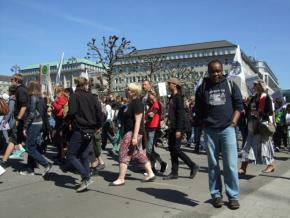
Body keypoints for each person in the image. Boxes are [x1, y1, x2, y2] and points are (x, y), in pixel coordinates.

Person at [195, 59, 243, 209]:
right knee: (213, 165)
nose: (216, 74)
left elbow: (239, 105)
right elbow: (198, 109)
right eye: (213, 71)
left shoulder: (230, 85)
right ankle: (216, 195)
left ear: (222, 70)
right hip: (210, 131)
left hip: (227, 129)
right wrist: (204, 125)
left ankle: (233, 196)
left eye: (218, 71)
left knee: (230, 164)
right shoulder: (202, 87)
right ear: (208, 72)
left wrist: (233, 123)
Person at [110, 83, 155, 186]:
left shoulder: (137, 103)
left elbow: (138, 121)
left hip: (133, 132)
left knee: (123, 152)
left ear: (134, 91)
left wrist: (134, 137)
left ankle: (121, 178)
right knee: (138, 153)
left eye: (129, 90)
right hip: (131, 132)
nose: (127, 91)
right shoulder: (131, 103)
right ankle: (151, 173)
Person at [65, 76, 103, 192]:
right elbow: (100, 113)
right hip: (90, 129)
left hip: (80, 129)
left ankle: (86, 177)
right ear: (85, 85)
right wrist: (98, 126)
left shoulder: (75, 96)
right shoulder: (92, 97)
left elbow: (72, 112)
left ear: (76, 84)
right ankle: (85, 179)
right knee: (84, 155)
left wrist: (67, 121)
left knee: (70, 155)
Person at [163, 78, 199, 180]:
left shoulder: (178, 97)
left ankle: (192, 165)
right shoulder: (172, 97)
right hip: (172, 126)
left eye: (169, 83)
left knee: (176, 149)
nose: (167, 85)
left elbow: (180, 114)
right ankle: (174, 172)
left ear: (174, 85)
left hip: (178, 127)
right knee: (172, 149)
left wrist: (179, 129)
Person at [239, 80, 275, 175]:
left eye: (255, 85)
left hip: (261, 126)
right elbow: (248, 110)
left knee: (265, 146)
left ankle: (270, 165)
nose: (253, 87)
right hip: (252, 125)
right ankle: (243, 167)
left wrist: (260, 114)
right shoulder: (253, 97)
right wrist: (245, 104)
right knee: (247, 146)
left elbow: (270, 112)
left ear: (260, 86)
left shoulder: (266, 97)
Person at [20, 81, 52, 176]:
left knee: (29, 147)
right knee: (32, 146)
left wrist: (25, 126)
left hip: (33, 124)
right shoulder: (40, 98)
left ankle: (46, 164)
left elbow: (31, 113)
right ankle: (30, 168)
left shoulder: (33, 97)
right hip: (38, 123)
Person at [0, 74, 28, 168]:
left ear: (16, 80)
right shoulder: (22, 89)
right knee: (13, 139)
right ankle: (4, 160)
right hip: (20, 119)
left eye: (12, 80)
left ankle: (43, 162)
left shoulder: (20, 90)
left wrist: (17, 119)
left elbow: (23, 106)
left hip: (19, 119)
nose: (11, 82)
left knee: (17, 139)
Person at [145, 89, 167, 174]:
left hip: (153, 127)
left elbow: (150, 115)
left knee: (149, 150)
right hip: (149, 127)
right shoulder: (152, 104)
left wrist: (146, 116)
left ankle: (161, 163)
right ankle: (155, 166)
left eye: (150, 94)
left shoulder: (156, 104)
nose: (148, 96)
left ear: (154, 95)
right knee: (149, 149)